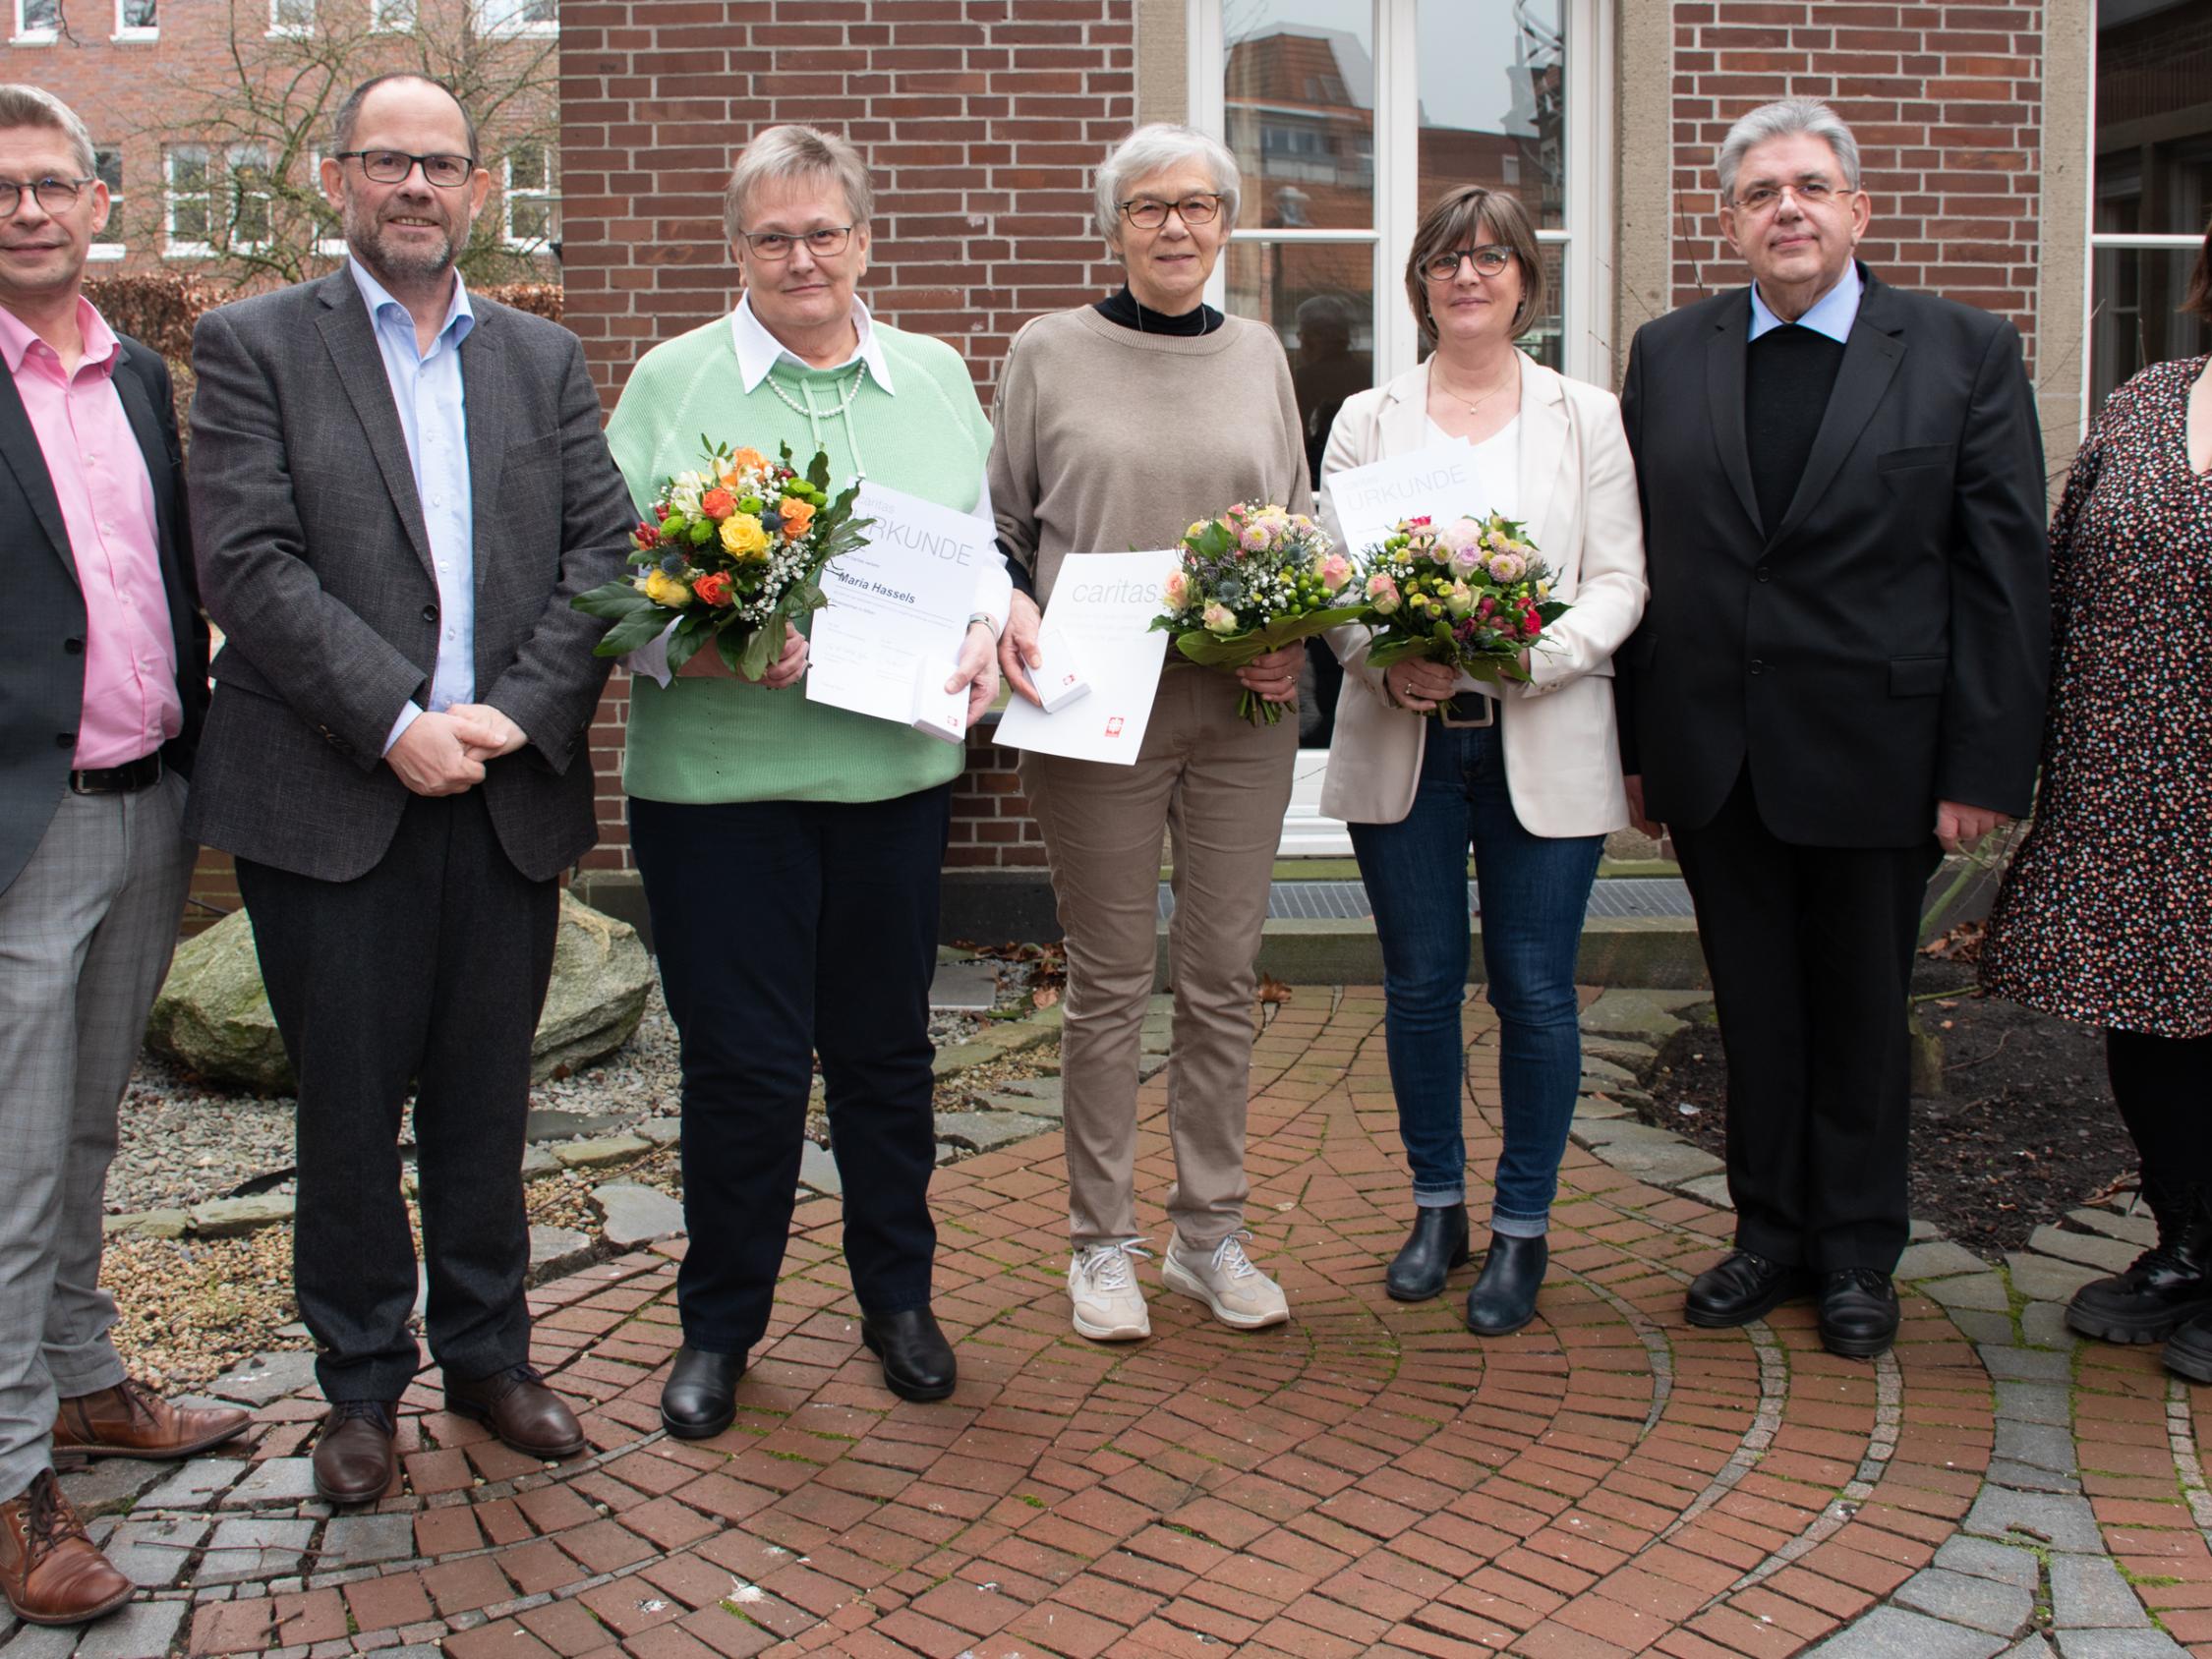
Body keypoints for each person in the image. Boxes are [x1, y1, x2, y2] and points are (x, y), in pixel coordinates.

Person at [185, 73, 635, 1505]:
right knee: (347, 1105)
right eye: (387, 162)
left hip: (501, 792)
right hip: (334, 796)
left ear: (480, 188)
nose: (416, 188)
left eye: (441, 165)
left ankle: (493, 1358)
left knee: (484, 1101)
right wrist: (392, 722)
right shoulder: (251, 345)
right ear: (338, 181)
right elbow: (248, 565)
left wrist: (510, 713)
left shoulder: (542, 359)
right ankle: (360, 1387)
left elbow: (604, 559)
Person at [1614, 96, 2049, 1359]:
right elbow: (1656, 562)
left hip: (1885, 754)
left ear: (1858, 209)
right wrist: (1643, 741)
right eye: (1760, 193)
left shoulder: (1965, 349)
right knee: (1752, 1007)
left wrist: (1983, 761)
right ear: (1729, 221)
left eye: (1809, 186)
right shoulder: (1671, 351)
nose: (1786, 209)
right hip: (1717, 751)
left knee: (1860, 1012)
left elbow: (2002, 573)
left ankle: (1859, 1252)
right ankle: (1769, 1232)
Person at [607, 125, 1009, 1432]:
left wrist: (994, 626)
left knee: (888, 1055)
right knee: (743, 1068)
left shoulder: (939, 378)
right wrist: (710, 646)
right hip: (719, 790)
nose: (800, 257)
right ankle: (721, 1327)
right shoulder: (670, 384)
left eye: (822, 231)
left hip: (891, 777)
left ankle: (899, 1301)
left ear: (864, 240)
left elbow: (979, 549)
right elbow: (606, 586)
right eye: (772, 236)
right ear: (737, 251)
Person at [993, 124, 1310, 1343]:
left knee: (1225, 976)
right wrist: (1010, 602)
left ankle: (1209, 1233)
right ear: (1112, 226)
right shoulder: (1048, 351)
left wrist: (1294, 628)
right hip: (1093, 704)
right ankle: (1099, 1243)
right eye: (1146, 207)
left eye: (1197, 205)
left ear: (1227, 223)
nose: (1174, 227)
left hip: (1243, 706)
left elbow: (1293, 519)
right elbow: (1006, 524)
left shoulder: (1263, 353)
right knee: (1113, 980)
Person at [0, 83, 247, 1627]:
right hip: (22, 830)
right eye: (2, 187)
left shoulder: (143, 374)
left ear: (101, 202)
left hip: (152, 805)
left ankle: (84, 1381)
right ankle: (14, 1481)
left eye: (52, 185)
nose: (28, 210)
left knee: (89, 1130)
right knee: (10, 1170)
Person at [1316, 186, 1647, 1337]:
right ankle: (1436, 1207)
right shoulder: (1368, 416)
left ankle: (1522, 1228)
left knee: (1535, 991)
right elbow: (1335, 579)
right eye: (1448, 260)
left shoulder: (1585, 416)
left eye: (1492, 258)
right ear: (1419, 282)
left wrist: (1531, 659)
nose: (1469, 276)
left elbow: (1619, 578)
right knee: (1416, 989)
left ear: (1524, 282)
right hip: (1408, 742)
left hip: (1539, 737)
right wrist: (1377, 659)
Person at [1980, 218, 2212, 1384]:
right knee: (2149, 1022)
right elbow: (2058, 571)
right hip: (2127, 777)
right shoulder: (2147, 400)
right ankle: (2186, 1244)